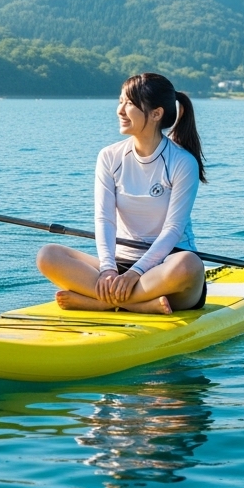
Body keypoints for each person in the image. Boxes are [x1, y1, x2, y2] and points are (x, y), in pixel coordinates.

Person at [37, 73, 208, 314]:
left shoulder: (182, 162)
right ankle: (139, 304)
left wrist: (136, 273)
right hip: (119, 266)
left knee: (189, 265)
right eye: (120, 101)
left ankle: (100, 302)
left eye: (129, 103)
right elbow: (105, 219)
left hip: (165, 267)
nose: (120, 110)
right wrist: (108, 269)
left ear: (156, 114)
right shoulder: (109, 157)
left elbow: (173, 230)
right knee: (48, 255)